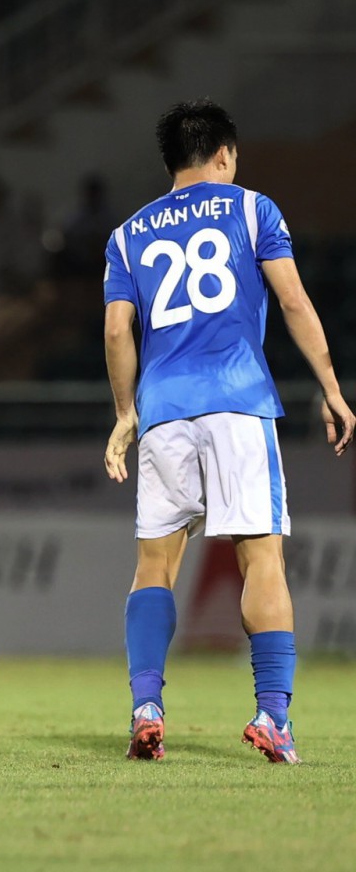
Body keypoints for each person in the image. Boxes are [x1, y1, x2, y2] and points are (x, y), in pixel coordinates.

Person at [102, 99, 354, 764]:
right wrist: (331, 387)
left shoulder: (127, 235)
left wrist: (125, 413)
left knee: (154, 564)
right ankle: (273, 716)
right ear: (223, 154)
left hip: (163, 408)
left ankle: (146, 706)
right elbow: (293, 298)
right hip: (237, 400)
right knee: (262, 558)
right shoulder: (252, 209)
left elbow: (117, 330)